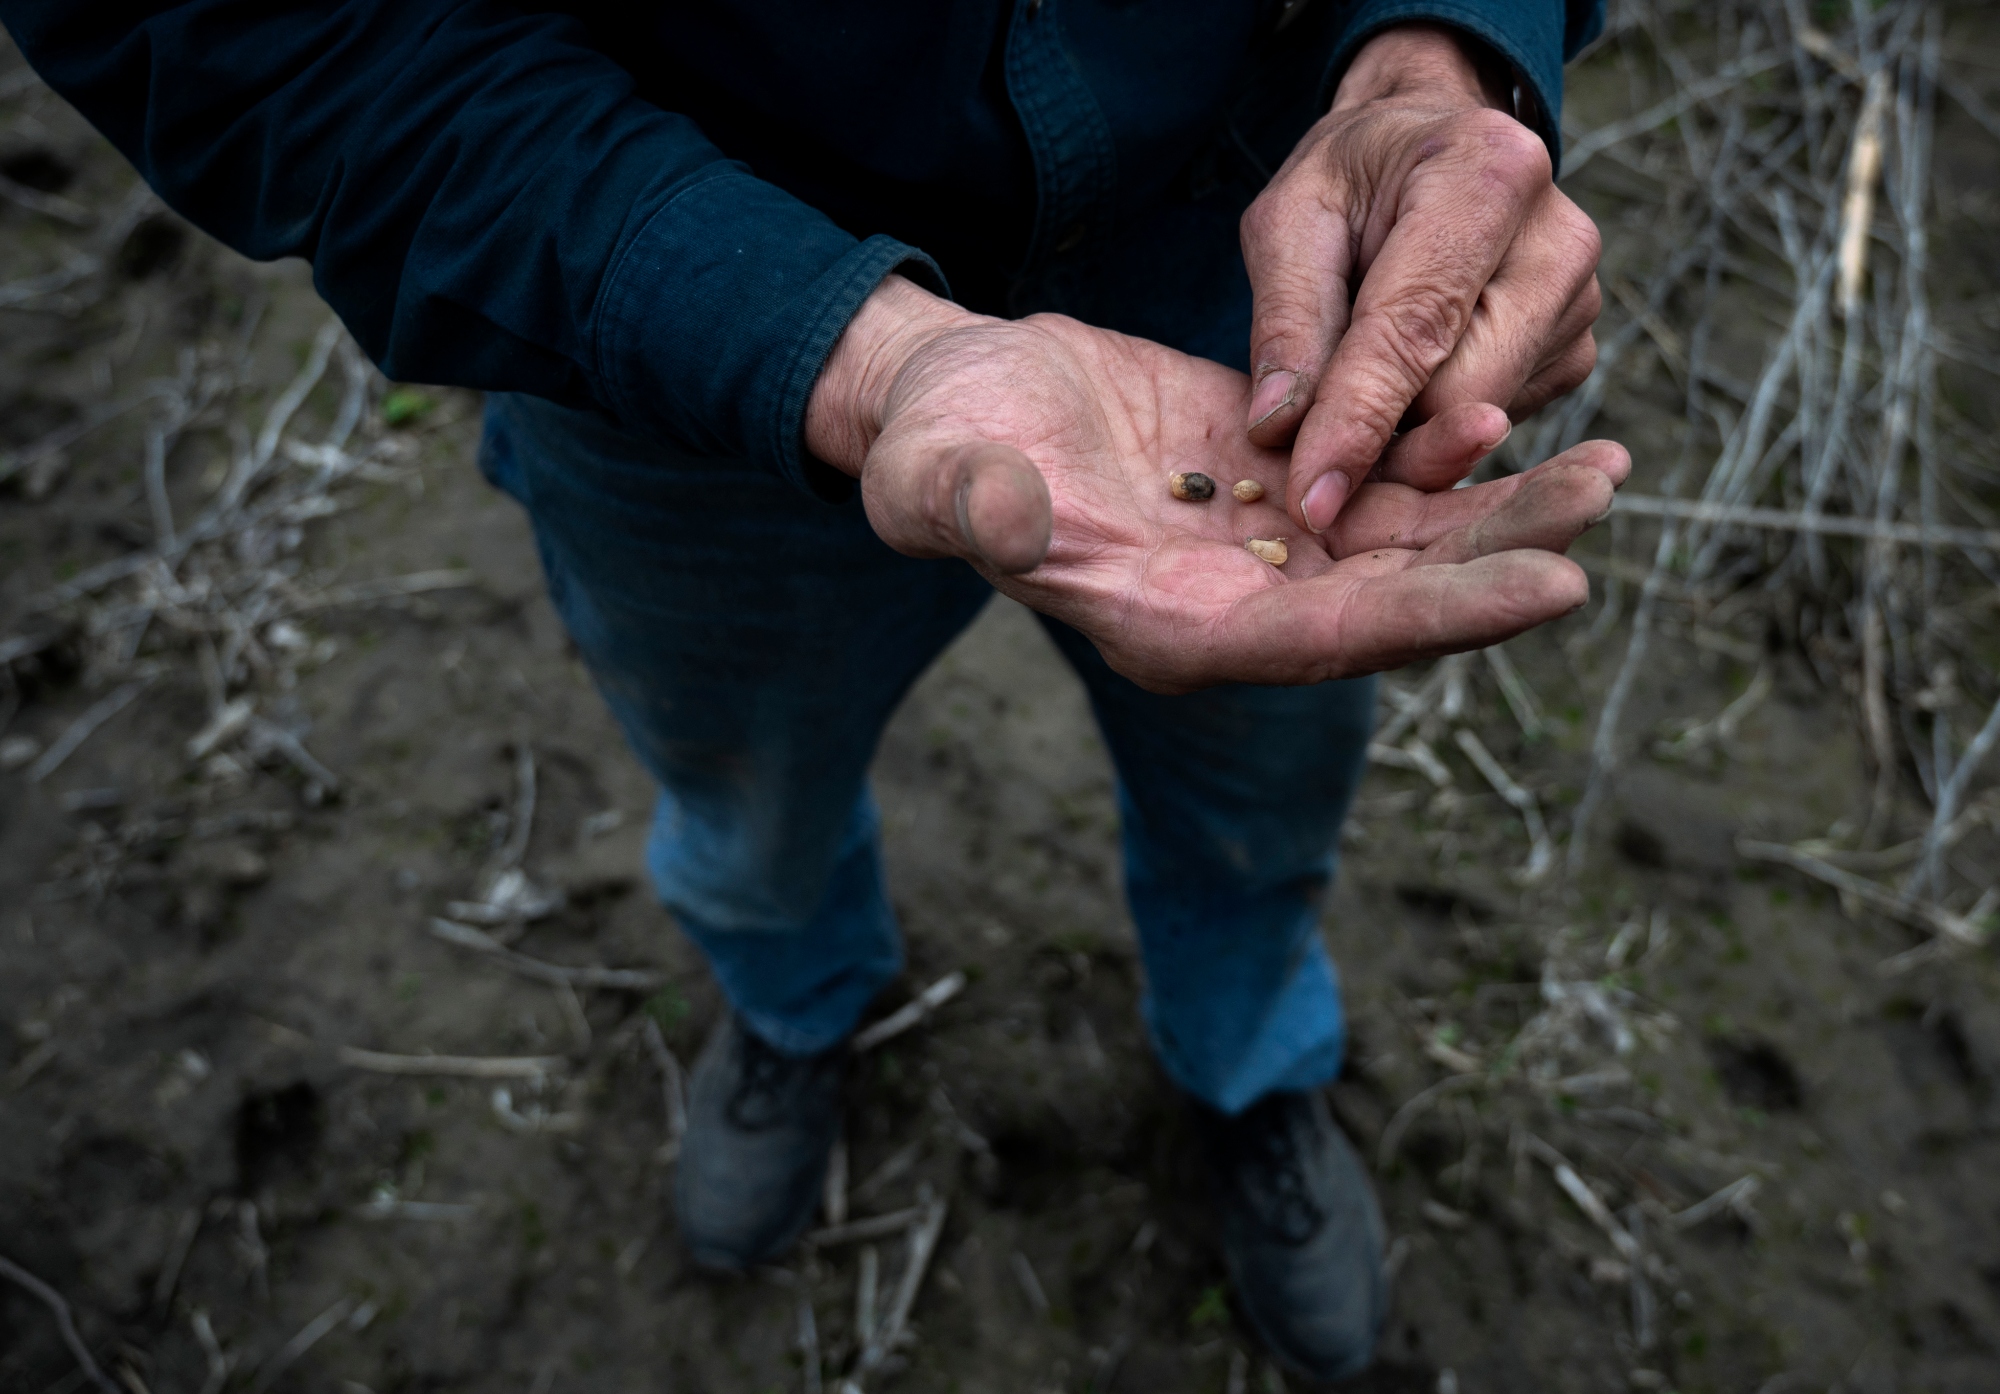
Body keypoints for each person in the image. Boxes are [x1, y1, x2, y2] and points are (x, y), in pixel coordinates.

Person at [3, 0, 1616, 1378]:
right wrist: (840, 343)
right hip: (674, 313)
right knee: (744, 789)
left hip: (1261, 278)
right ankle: (796, 1004)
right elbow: (235, 26)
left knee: (1263, 778)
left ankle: (1248, 1059)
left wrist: (1441, 51)